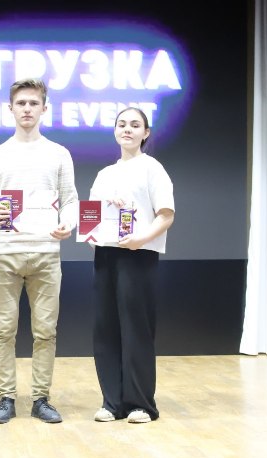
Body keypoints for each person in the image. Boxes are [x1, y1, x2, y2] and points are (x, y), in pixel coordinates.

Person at [0, 78, 78, 424]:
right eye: (21, 103)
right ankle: (5, 398)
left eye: (33, 103)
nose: (27, 109)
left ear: (44, 108)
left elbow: (70, 200)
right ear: (10, 108)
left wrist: (68, 222)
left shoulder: (59, 153)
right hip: (5, 252)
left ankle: (40, 398)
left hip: (46, 252)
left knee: (46, 331)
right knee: (3, 330)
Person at [89, 107, 175, 424]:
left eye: (135, 125)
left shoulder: (153, 169)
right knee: (106, 328)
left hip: (139, 255)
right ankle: (111, 403)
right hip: (106, 254)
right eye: (122, 124)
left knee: (136, 328)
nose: (127, 129)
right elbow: (91, 217)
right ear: (115, 130)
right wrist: (100, 213)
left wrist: (141, 239)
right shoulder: (104, 175)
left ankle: (141, 404)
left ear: (145, 133)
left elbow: (166, 214)